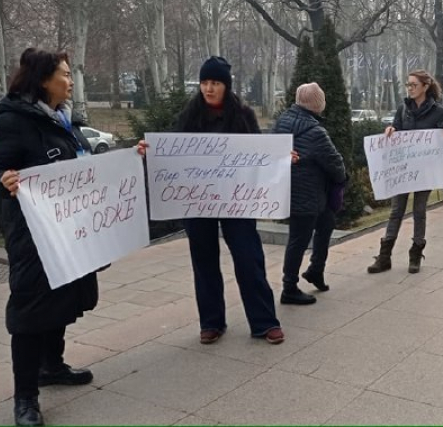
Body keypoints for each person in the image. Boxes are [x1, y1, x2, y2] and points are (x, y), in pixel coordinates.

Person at [0, 49, 100, 426]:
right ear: (43, 80)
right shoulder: (14, 120)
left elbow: (86, 163)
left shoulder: (64, 120)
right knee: (31, 310)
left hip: (67, 230)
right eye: (64, 74)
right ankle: (25, 398)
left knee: (62, 299)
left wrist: (133, 159)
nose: (70, 80)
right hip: (33, 235)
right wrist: (3, 180)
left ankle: (53, 365)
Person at [138, 56, 284, 345]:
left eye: (215, 82)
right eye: (204, 82)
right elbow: (170, 150)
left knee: (248, 257)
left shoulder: (243, 115)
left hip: (236, 201)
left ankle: (264, 321)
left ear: (226, 85)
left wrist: (280, 159)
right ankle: (211, 322)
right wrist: (149, 151)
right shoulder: (189, 115)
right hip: (198, 202)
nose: (208, 88)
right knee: (204, 261)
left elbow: (259, 153)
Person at [368, 70, 443, 274]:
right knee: (396, 211)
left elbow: (442, 141)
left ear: (425, 86)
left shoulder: (438, 112)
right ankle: (384, 256)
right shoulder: (403, 108)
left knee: (419, 211)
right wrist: (390, 130)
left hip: (424, 171)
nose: (410, 88)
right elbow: (396, 127)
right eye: (408, 85)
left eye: (414, 84)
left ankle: (415, 254)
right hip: (403, 170)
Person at [273, 83, 347, 304]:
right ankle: (289, 287)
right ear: (318, 104)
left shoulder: (282, 122)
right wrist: (342, 180)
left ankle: (316, 270)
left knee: (326, 224)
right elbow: (335, 163)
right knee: (299, 239)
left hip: (290, 190)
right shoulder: (316, 132)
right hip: (309, 193)